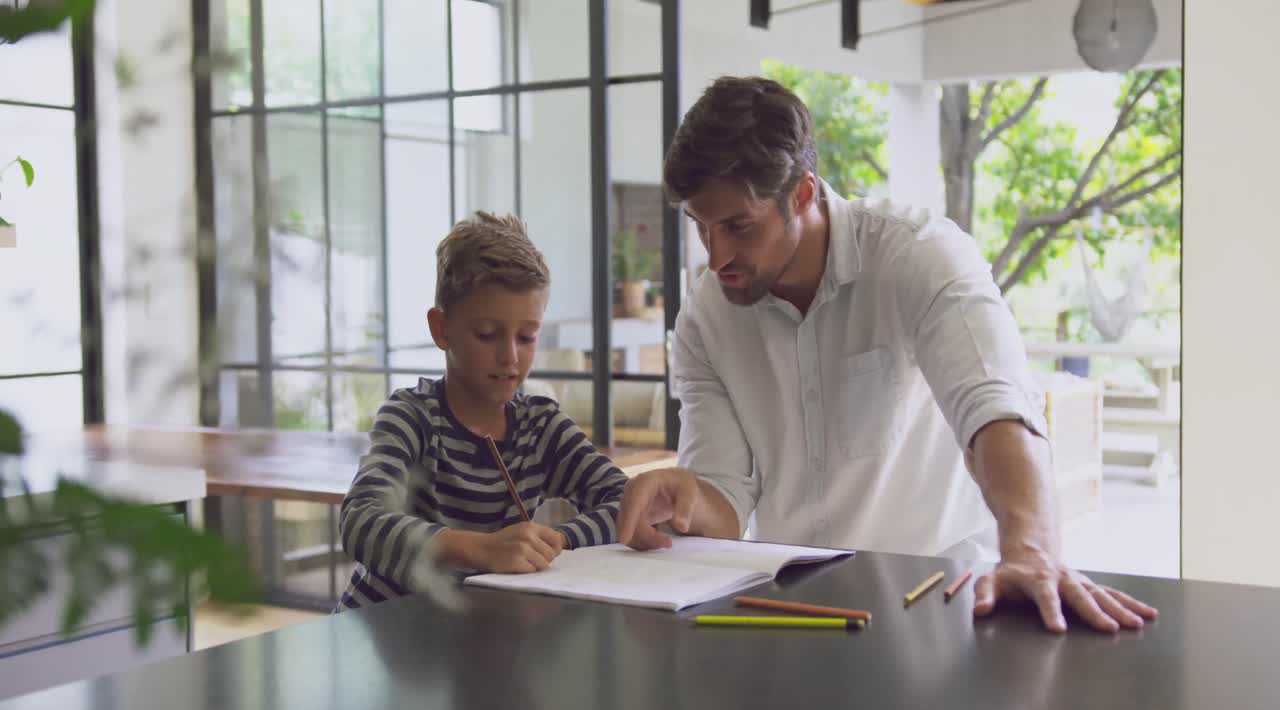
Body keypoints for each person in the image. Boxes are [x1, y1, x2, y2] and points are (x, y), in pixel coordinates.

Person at [617, 76, 1156, 633]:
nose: (718, 254)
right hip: (790, 610)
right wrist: (687, 497)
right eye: (702, 227)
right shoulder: (705, 317)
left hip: (939, 604)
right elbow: (724, 502)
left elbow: (996, 408)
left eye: (738, 226)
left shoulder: (919, 256)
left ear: (801, 194)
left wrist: (1031, 549)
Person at [337, 211, 627, 610]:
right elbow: (361, 522)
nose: (510, 357)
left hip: (475, 635)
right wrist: (481, 549)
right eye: (487, 335)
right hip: (385, 637)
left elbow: (624, 501)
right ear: (441, 329)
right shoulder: (412, 416)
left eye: (527, 337)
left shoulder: (539, 426)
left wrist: (556, 540)